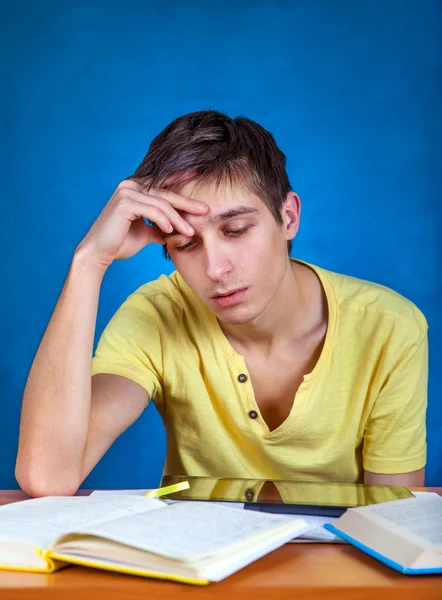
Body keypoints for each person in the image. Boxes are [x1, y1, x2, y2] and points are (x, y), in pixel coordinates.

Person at [15, 110, 428, 498]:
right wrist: (89, 263)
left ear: (288, 218)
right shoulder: (158, 315)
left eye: (236, 230)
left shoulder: (388, 327)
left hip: (336, 570)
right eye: (186, 244)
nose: (215, 268)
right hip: (200, 568)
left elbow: (393, 519)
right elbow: (47, 476)